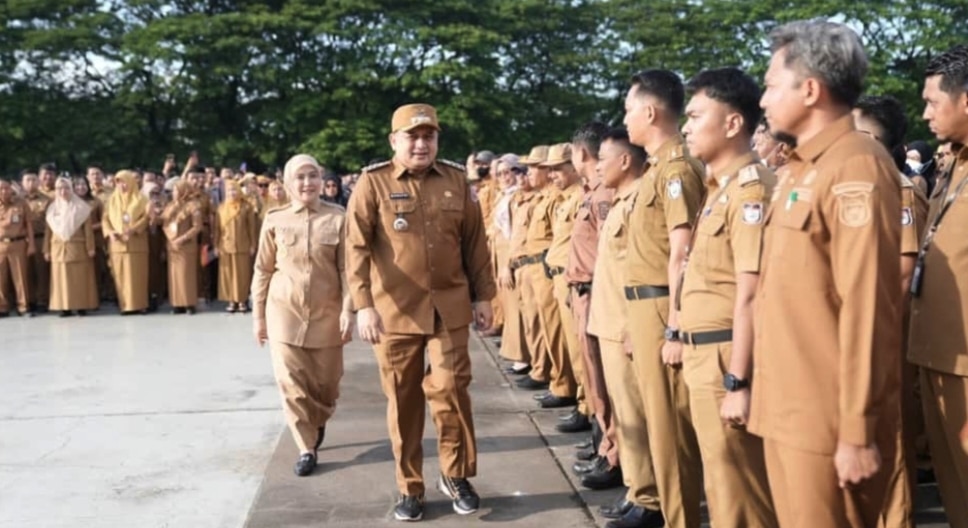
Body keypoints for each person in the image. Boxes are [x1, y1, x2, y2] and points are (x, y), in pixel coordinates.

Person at [751, 21, 902, 528]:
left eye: (772, 85)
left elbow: (866, 308)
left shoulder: (856, 166)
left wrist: (856, 431)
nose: (764, 99)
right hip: (787, 408)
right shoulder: (799, 167)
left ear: (810, 89)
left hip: (827, 423)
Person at [345, 103, 495, 522]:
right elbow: (355, 249)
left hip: (449, 307)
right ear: (394, 141)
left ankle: (456, 474)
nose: (422, 143)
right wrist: (363, 306)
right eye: (412, 136)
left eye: (429, 136)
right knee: (403, 400)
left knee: (451, 390)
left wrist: (484, 297)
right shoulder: (372, 184)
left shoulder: (455, 180)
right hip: (393, 312)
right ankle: (410, 486)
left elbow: (475, 245)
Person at [678, 67, 778, 527]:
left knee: (740, 497)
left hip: (726, 357)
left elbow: (753, 291)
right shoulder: (720, 188)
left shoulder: (750, 189)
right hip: (707, 354)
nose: (686, 126)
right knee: (722, 491)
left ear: (734, 123)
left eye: (697, 115)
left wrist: (738, 379)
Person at [621, 69, 706, 528]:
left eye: (630, 109)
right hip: (645, 308)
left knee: (672, 432)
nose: (626, 120)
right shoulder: (657, 169)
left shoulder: (676, 169)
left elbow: (684, 251)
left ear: (650, 112)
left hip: (662, 306)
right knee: (658, 426)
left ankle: (681, 519)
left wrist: (673, 324)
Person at [853, 94, 930, 528]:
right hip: (861, 333)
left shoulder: (900, 191)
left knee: (893, 434)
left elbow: (903, 276)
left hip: (886, 333)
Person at [251, 154, 353, 478]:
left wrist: (349, 310)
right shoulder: (275, 220)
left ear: (321, 180)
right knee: (290, 384)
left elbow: (347, 270)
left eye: (312, 176)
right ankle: (306, 447)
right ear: (287, 183)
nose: (307, 183)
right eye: (300, 177)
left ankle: (318, 419)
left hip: (327, 314)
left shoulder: (338, 218)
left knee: (327, 384)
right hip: (284, 314)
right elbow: (263, 270)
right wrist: (258, 317)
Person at [587, 128, 663, 528]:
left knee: (637, 416)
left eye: (604, 157)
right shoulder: (621, 201)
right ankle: (636, 490)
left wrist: (638, 325)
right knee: (627, 418)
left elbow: (647, 268)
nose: (597, 165)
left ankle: (649, 499)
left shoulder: (641, 202)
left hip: (626, 326)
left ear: (625, 161)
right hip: (610, 323)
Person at [908, 44, 968, 528]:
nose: (925, 113)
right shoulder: (954, 164)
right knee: (955, 493)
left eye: (933, 102)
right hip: (936, 354)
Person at [492, 155, 531, 374]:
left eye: (508, 172)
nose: (504, 177)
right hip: (500, 252)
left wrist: (508, 264)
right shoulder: (505, 196)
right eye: (500, 173)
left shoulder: (517, 197)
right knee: (508, 305)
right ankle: (516, 352)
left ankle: (522, 356)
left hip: (511, 254)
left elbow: (514, 233)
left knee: (516, 306)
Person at [43, 177, 98, 317]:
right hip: (58, 248)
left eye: (66, 188)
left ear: (71, 189)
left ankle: (81, 306)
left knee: (80, 278)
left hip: (78, 247)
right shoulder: (52, 209)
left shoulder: (81, 207)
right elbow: (48, 232)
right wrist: (46, 250)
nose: (63, 191)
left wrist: (90, 247)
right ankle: (64, 307)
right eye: (60, 188)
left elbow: (88, 231)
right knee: (60, 279)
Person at [103, 170, 150, 315]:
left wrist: (134, 229)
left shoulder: (141, 199)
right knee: (120, 276)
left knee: (138, 276)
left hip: (136, 243)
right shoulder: (112, 200)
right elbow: (105, 219)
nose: (122, 185)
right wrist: (110, 232)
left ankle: (140, 305)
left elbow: (146, 218)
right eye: (118, 182)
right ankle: (125, 306)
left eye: (124, 181)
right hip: (117, 244)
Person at [215, 180, 258, 313]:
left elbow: (251, 227)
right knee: (228, 275)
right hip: (225, 246)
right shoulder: (221, 208)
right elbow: (217, 229)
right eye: (229, 191)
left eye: (234, 190)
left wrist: (253, 244)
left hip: (243, 245)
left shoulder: (246, 207)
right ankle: (231, 301)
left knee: (242, 275)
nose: (232, 193)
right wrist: (216, 245)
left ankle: (242, 301)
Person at [162, 180, 202, 315]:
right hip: (173, 245)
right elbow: (164, 222)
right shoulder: (170, 206)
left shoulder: (193, 206)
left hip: (186, 245)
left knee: (186, 275)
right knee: (174, 275)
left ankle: (189, 303)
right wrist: (171, 238)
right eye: (173, 191)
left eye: (176, 190)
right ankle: (177, 304)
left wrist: (183, 238)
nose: (174, 193)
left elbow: (197, 226)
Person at [0, 179, 35, 317]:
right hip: (1, 245)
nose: (3, 191)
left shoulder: (21, 204)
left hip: (18, 244)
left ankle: (23, 307)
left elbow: (29, 226)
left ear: (11, 189)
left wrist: (31, 244)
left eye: (6, 188)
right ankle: (2, 307)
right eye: (1, 188)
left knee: (20, 277)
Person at [22, 172, 51, 312]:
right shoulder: (17, 200)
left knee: (41, 271)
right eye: (28, 180)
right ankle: (28, 300)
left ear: (39, 182)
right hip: (23, 240)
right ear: (22, 183)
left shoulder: (47, 200)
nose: (31, 182)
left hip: (41, 238)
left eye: (34, 179)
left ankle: (42, 300)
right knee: (25, 271)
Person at [74, 177, 106, 301]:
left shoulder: (96, 202)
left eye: (83, 184)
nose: (81, 187)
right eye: (77, 185)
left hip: (94, 239)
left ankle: (95, 297)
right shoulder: (69, 203)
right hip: (75, 242)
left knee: (96, 269)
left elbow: (104, 221)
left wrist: (89, 228)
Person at [143, 181, 168, 311]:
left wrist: (158, 215)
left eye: (157, 193)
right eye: (151, 193)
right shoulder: (140, 205)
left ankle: (157, 297)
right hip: (144, 241)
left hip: (159, 241)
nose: (154, 196)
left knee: (157, 270)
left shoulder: (165, 206)